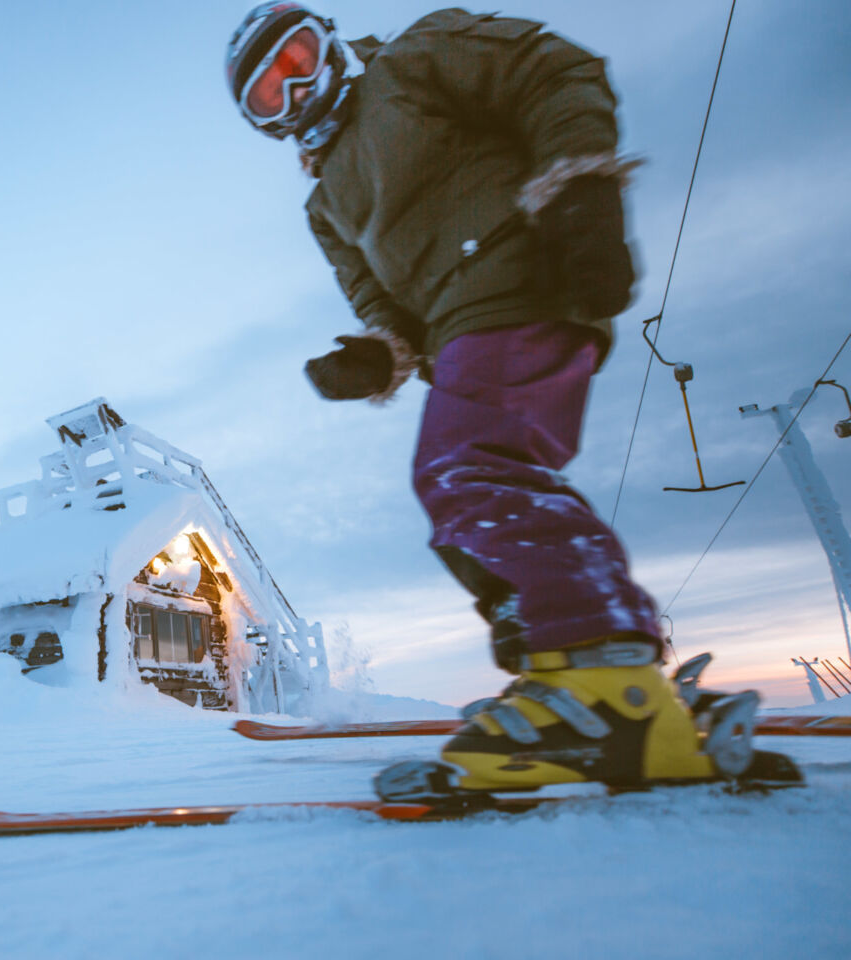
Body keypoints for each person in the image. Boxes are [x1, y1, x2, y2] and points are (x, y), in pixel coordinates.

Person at [225, 4, 777, 801]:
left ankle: (602, 679)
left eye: (299, 56)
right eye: (272, 93)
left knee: (469, 469)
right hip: (459, 331)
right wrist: (375, 356)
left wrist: (579, 193)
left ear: (331, 39)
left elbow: (551, 69)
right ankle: (575, 679)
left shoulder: (413, 59)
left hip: (526, 273)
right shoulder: (324, 207)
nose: (298, 85)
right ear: (265, 124)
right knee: (461, 512)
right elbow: (381, 303)